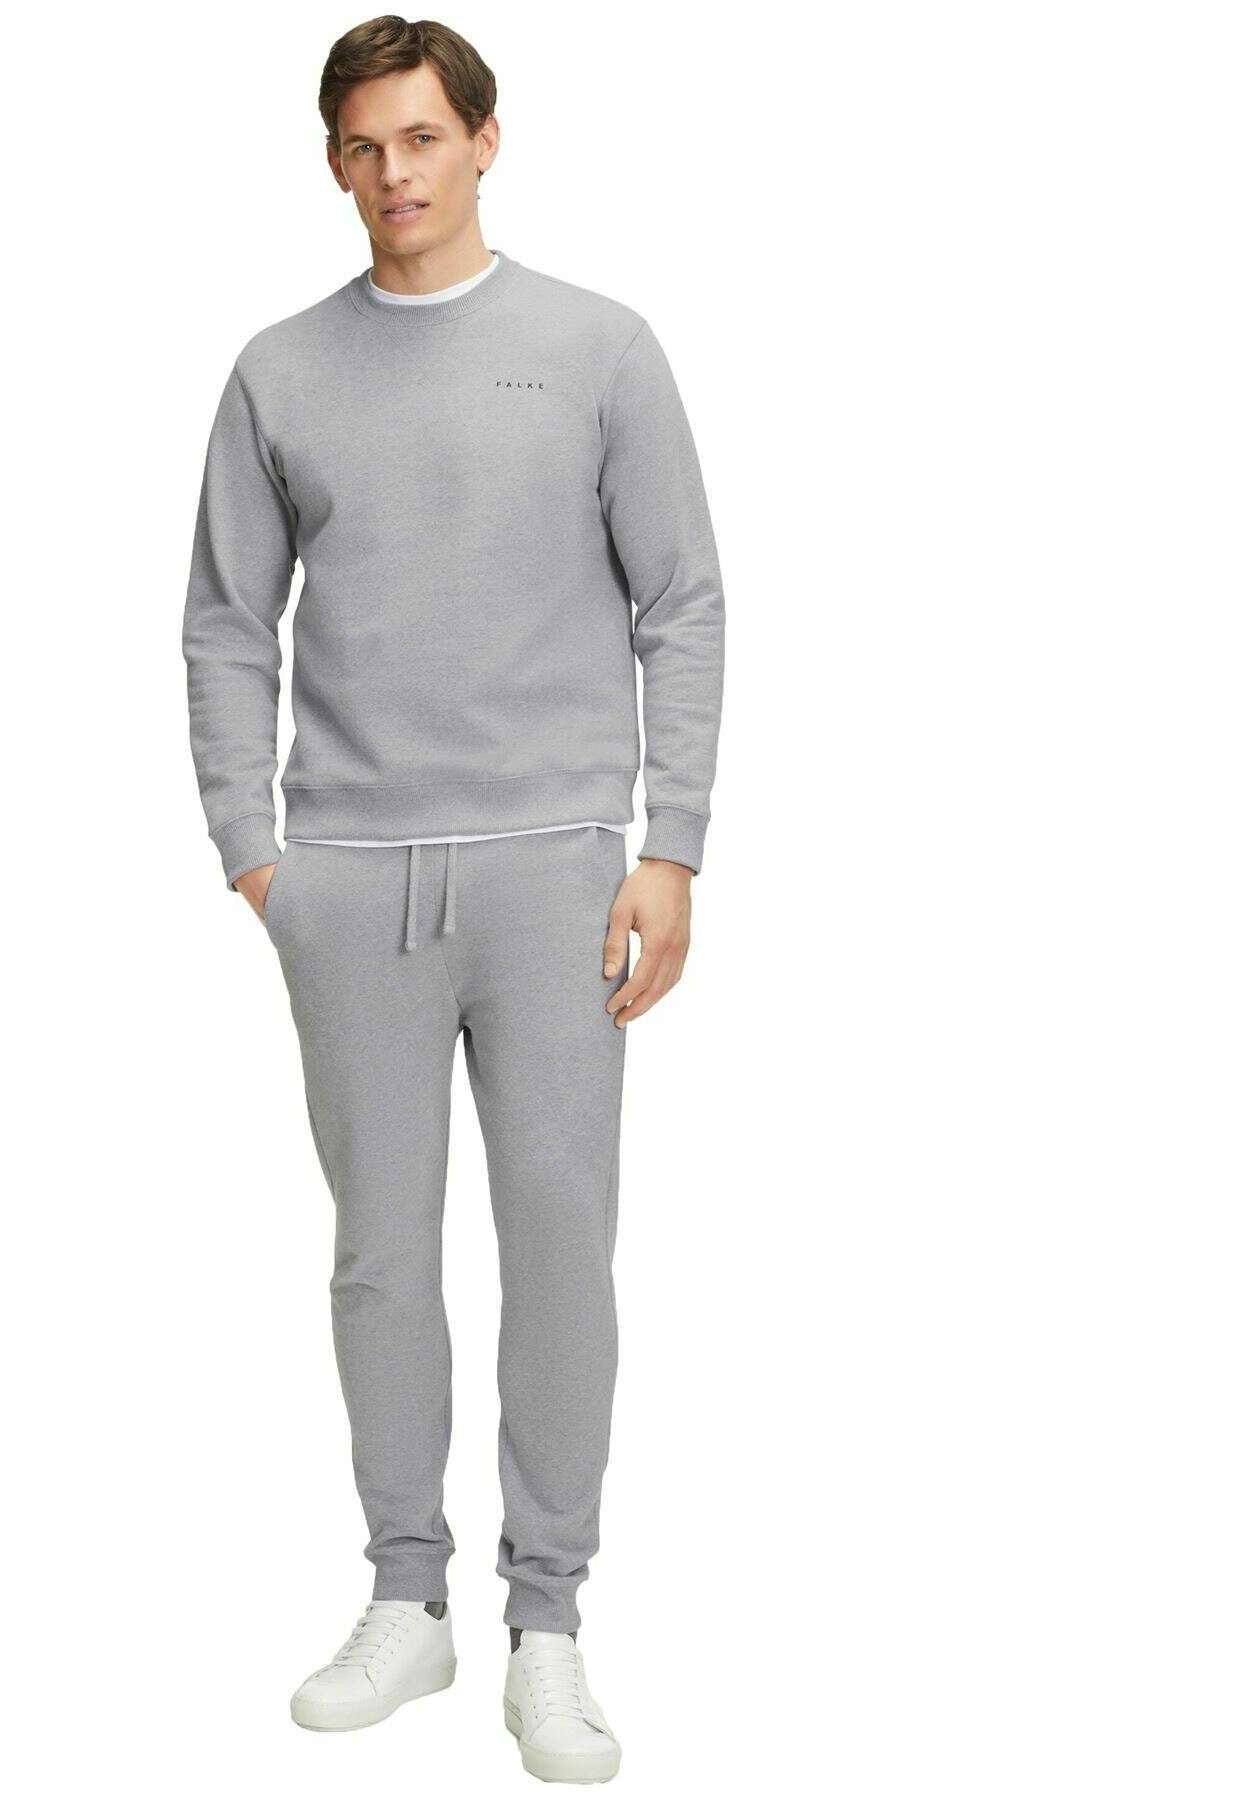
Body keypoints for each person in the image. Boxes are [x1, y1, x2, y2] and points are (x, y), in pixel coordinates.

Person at [181, 15, 725, 1783]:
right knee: (378, 1253)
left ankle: (546, 1625)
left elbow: (682, 602)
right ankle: (406, 1598)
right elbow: (224, 621)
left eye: (421, 137)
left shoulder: (598, 349)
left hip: (557, 870)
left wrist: (670, 846)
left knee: (561, 1241)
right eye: (363, 146)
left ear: (486, 140)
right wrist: (256, 853)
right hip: (348, 879)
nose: (393, 173)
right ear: (333, 164)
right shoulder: (279, 371)